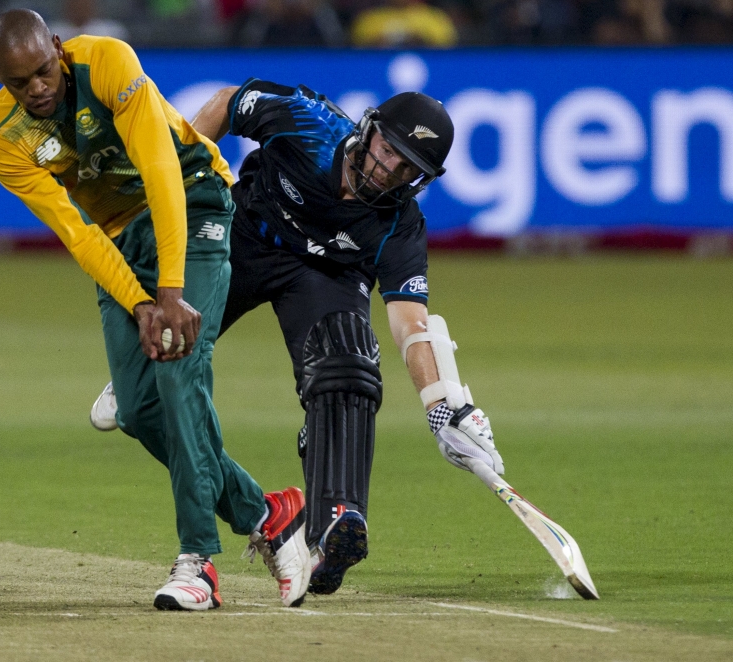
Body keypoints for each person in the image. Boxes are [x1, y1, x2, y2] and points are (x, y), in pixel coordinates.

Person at [92, 79, 505, 596]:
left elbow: (410, 321)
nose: (387, 171)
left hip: (325, 277)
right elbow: (225, 102)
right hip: (245, 233)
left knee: (347, 361)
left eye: (408, 170)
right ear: (368, 129)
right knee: (150, 393)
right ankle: (138, 373)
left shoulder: (400, 223)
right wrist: (175, 187)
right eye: (387, 151)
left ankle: (335, 520)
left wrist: (442, 404)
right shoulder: (307, 122)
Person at [0, 10, 311, 611]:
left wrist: (171, 293)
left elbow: (161, 171)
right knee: (135, 410)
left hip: (193, 196)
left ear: (58, 48)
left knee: (179, 366)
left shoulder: (108, 62)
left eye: (45, 71)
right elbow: (78, 234)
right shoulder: (0, 140)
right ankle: (267, 512)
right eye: (19, 82)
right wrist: (137, 301)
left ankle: (198, 562)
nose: (38, 89)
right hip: (117, 240)